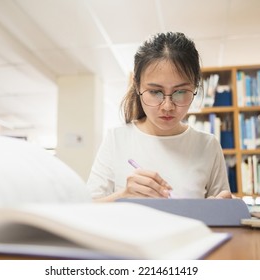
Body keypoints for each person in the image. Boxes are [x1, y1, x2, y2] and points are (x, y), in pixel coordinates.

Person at [87, 31, 232, 202]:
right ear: (137, 86)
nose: (168, 106)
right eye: (155, 92)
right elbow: (85, 210)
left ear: (195, 87)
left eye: (180, 92)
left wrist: (221, 209)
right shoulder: (116, 139)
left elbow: (224, 213)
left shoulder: (208, 146)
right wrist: (124, 195)